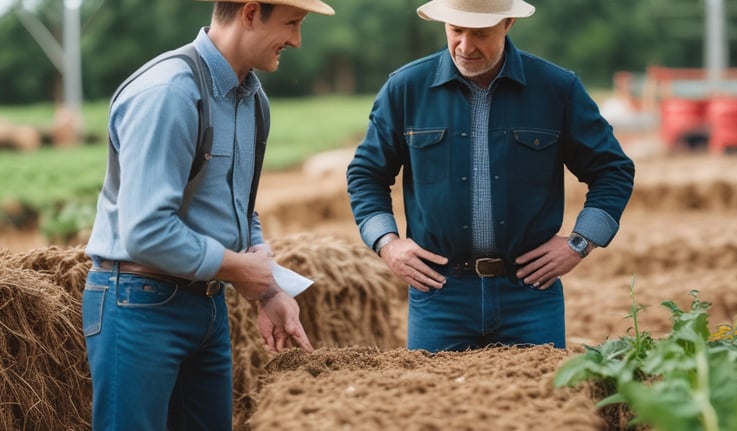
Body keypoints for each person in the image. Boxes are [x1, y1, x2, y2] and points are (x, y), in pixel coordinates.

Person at [81, 1, 334, 429]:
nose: (296, 40)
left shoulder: (253, 100)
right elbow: (145, 231)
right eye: (291, 23)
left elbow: (238, 205)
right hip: (139, 302)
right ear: (251, 13)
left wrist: (268, 290)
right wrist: (237, 267)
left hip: (207, 304)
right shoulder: (169, 93)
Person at [346, 0, 635, 353]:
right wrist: (388, 244)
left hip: (530, 294)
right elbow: (365, 174)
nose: (465, 47)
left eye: (480, 33)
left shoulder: (557, 89)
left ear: (508, 22)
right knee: (434, 404)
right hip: (439, 294)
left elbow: (612, 170)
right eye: (456, 31)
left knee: (541, 406)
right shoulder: (405, 88)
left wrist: (580, 242)